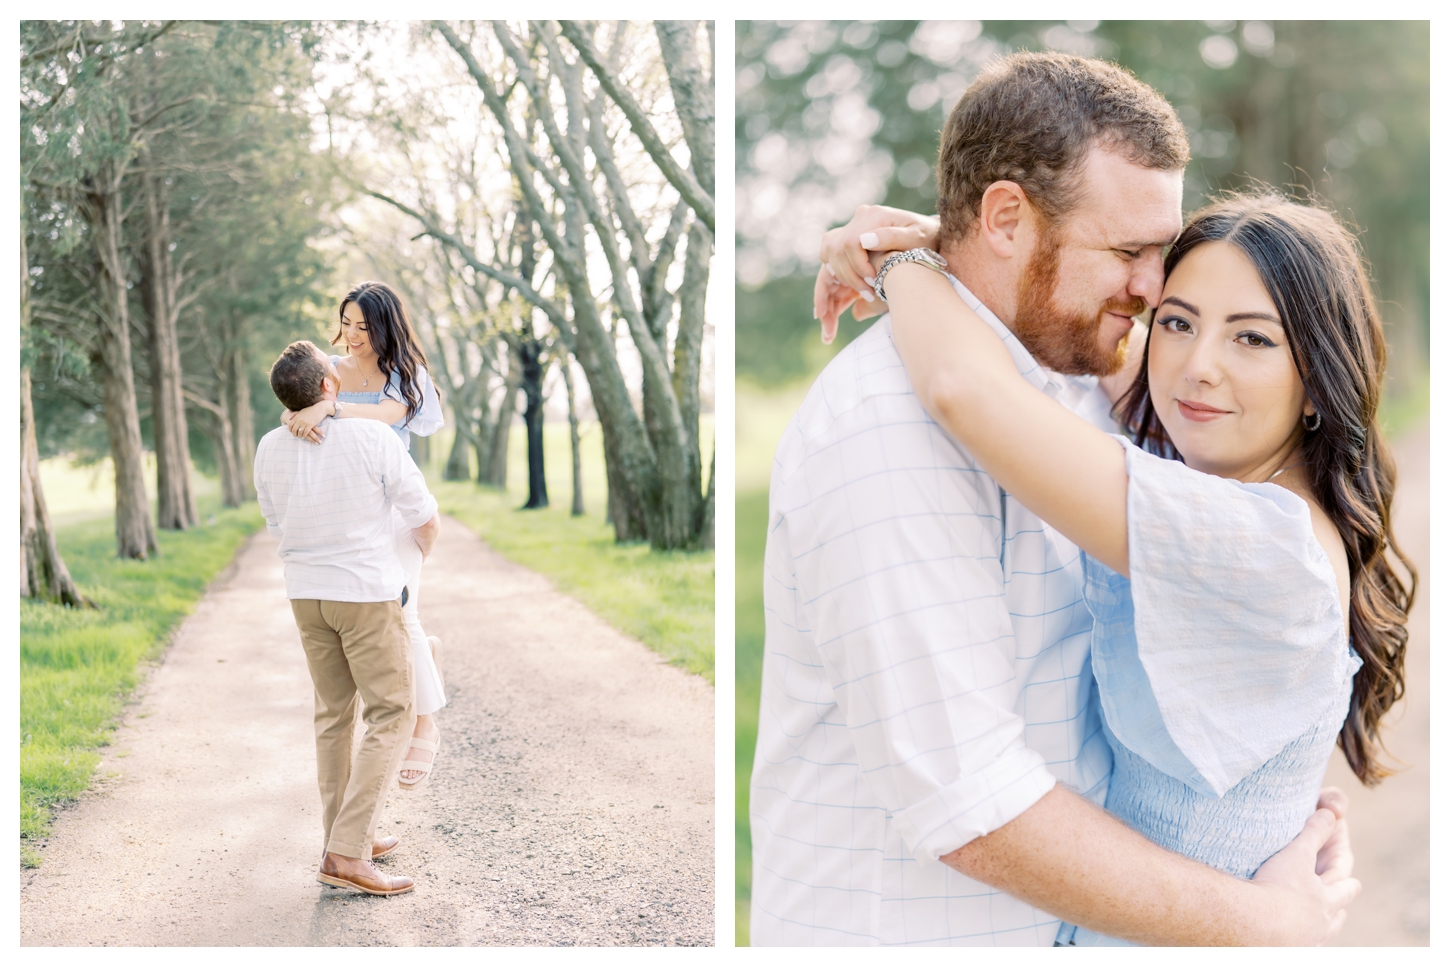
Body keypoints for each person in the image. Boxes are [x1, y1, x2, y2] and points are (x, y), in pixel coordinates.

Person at [751, 51, 1357, 946]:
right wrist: (1266, 922)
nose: (1153, 296)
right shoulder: (886, 425)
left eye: (1163, 255)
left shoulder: (1071, 381)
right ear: (1005, 217)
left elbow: (980, 364)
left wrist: (912, 255)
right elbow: (972, 800)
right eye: (1130, 253)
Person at [866, 191, 1413, 945]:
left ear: (1318, 375)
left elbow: (964, 390)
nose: (1198, 368)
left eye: (1252, 340)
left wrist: (898, 262)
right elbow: (1109, 354)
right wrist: (951, 243)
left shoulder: (1256, 545)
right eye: (1178, 322)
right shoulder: (1230, 477)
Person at [255, 340, 441, 895]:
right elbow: (423, 515)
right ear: (329, 387)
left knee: (334, 717)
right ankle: (346, 855)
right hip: (364, 593)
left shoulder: (268, 447)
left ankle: (344, 834)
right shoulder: (372, 437)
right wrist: (418, 558)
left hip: (306, 597)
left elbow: (275, 526)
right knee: (394, 713)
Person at [282, 281, 448, 789]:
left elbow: (386, 418)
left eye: (363, 327)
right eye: (347, 324)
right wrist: (299, 414)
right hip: (349, 514)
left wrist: (329, 410)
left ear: (385, 327)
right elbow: (297, 414)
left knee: (404, 612)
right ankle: (426, 664)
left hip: (396, 507)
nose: (352, 336)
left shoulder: (405, 375)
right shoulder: (330, 372)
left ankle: (425, 723)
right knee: (388, 621)